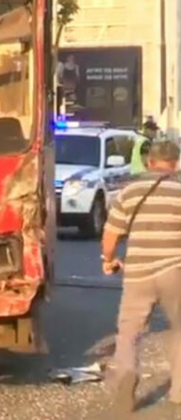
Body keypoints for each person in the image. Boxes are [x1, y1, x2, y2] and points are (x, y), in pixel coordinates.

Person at [101, 140, 181, 415]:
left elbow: (111, 235)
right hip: (175, 272)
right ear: (176, 163)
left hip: (137, 274)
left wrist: (108, 260)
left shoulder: (130, 191)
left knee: (129, 335)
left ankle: (126, 387)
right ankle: (179, 392)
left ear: (150, 162)